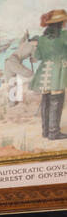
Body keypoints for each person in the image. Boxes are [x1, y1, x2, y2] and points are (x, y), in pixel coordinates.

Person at [32, 9, 67, 141]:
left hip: (44, 73)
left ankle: (45, 131)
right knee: (56, 102)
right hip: (58, 72)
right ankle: (54, 133)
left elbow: (38, 56)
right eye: (64, 21)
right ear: (60, 23)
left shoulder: (41, 39)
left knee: (46, 101)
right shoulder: (64, 35)